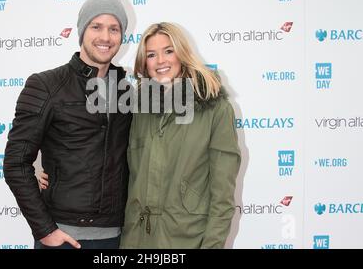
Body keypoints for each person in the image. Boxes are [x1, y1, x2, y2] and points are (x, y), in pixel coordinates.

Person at [40, 22, 241, 248]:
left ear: (182, 53)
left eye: (168, 51)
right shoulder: (136, 106)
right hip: (135, 240)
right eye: (152, 55)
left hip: (187, 240)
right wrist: (53, 172)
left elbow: (222, 198)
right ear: (145, 63)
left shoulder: (215, 109)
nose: (161, 61)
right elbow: (103, 154)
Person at [3, 0, 132, 249]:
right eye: (96, 26)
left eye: (114, 29)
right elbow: (15, 163)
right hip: (63, 237)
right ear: (82, 31)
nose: (105, 37)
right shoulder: (46, 85)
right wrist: (45, 230)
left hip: (116, 237)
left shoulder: (126, 91)